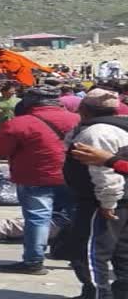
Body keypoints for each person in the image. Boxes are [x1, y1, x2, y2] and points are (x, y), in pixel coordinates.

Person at [0, 85, 80, 275]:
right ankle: (81, 258)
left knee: (38, 219)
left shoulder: (19, 123)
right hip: (72, 176)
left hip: (34, 176)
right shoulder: (77, 119)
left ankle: (33, 262)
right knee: (79, 217)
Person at [64, 89, 128, 299]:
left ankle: (97, 293)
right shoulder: (119, 126)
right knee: (122, 251)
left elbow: (104, 174)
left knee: (90, 252)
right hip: (119, 199)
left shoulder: (96, 133)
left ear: (82, 109)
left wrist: (107, 202)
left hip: (101, 201)